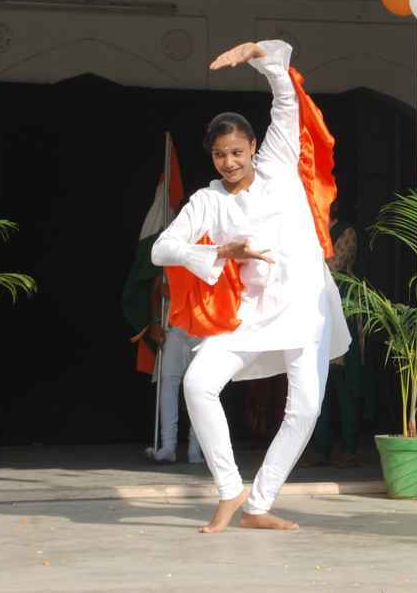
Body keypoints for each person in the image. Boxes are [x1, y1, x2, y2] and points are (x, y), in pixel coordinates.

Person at [152, 39, 350, 533]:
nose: (229, 161)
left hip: (304, 303)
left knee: (305, 409)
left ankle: (259, 504)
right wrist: (220, 252)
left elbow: (286, 102)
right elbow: (162, 249)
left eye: (237, 151)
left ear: (254, 148)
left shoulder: (279, 165)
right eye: (220, 154)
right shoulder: (208, 201)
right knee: (198, 383)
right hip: (248, 311)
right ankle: (229, 489)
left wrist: (261, 57)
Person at [304, 211, 364, 468]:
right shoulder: (308, 228)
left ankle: (349, 448)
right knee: (317, 384)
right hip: (313, 308)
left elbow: (333, 266)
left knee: (344, 383)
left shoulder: (346, 231)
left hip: (342, 305)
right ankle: (320, 448)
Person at [144, 274, 204, 465]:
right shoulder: (171, 261)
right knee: (168, 381)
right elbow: (156, 287)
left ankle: (195, 448)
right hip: (175, 326)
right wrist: (155, 322)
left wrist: (179, 293)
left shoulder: (215, 254)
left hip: (205, 328)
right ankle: (168, 447)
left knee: (200, 387)